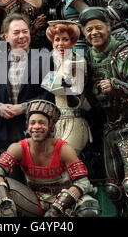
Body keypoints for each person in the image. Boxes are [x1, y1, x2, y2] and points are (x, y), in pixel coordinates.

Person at [79, 7, 128, 217]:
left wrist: (119, 88)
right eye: (88, 29)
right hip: (109, 125)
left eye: (98, 27)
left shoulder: (125, 52)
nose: (93, 32)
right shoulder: (85, 58)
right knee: (114, 189)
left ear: (110, 27)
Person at [0, 99, 101, 217]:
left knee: (90, 209)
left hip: (65, 200)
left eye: (42, 123)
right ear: (27, 125)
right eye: (32, 123)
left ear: (50, 126)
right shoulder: (18, 147)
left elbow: (83, 182)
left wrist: (57, 209)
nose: (36, 127)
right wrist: (5, 202)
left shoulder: (63, 149)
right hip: (34, 200)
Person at [0, 12, 54, 155]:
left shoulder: (43, 59)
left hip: (35, 132)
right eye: (16, 32)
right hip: (4, 133)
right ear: (6, 37)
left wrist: (24, 107)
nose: (22, 36)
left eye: (25, 31)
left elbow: (49, 95)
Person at [42, 20, 91, 154]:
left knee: (64, 160)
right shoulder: (55, 62)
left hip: (74, 121)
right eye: (57, 39)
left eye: (65, 39)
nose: (60, 44)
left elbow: (76, 98)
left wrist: (68, 88)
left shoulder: (78, 62)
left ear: (73, 42)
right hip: (57, 124)